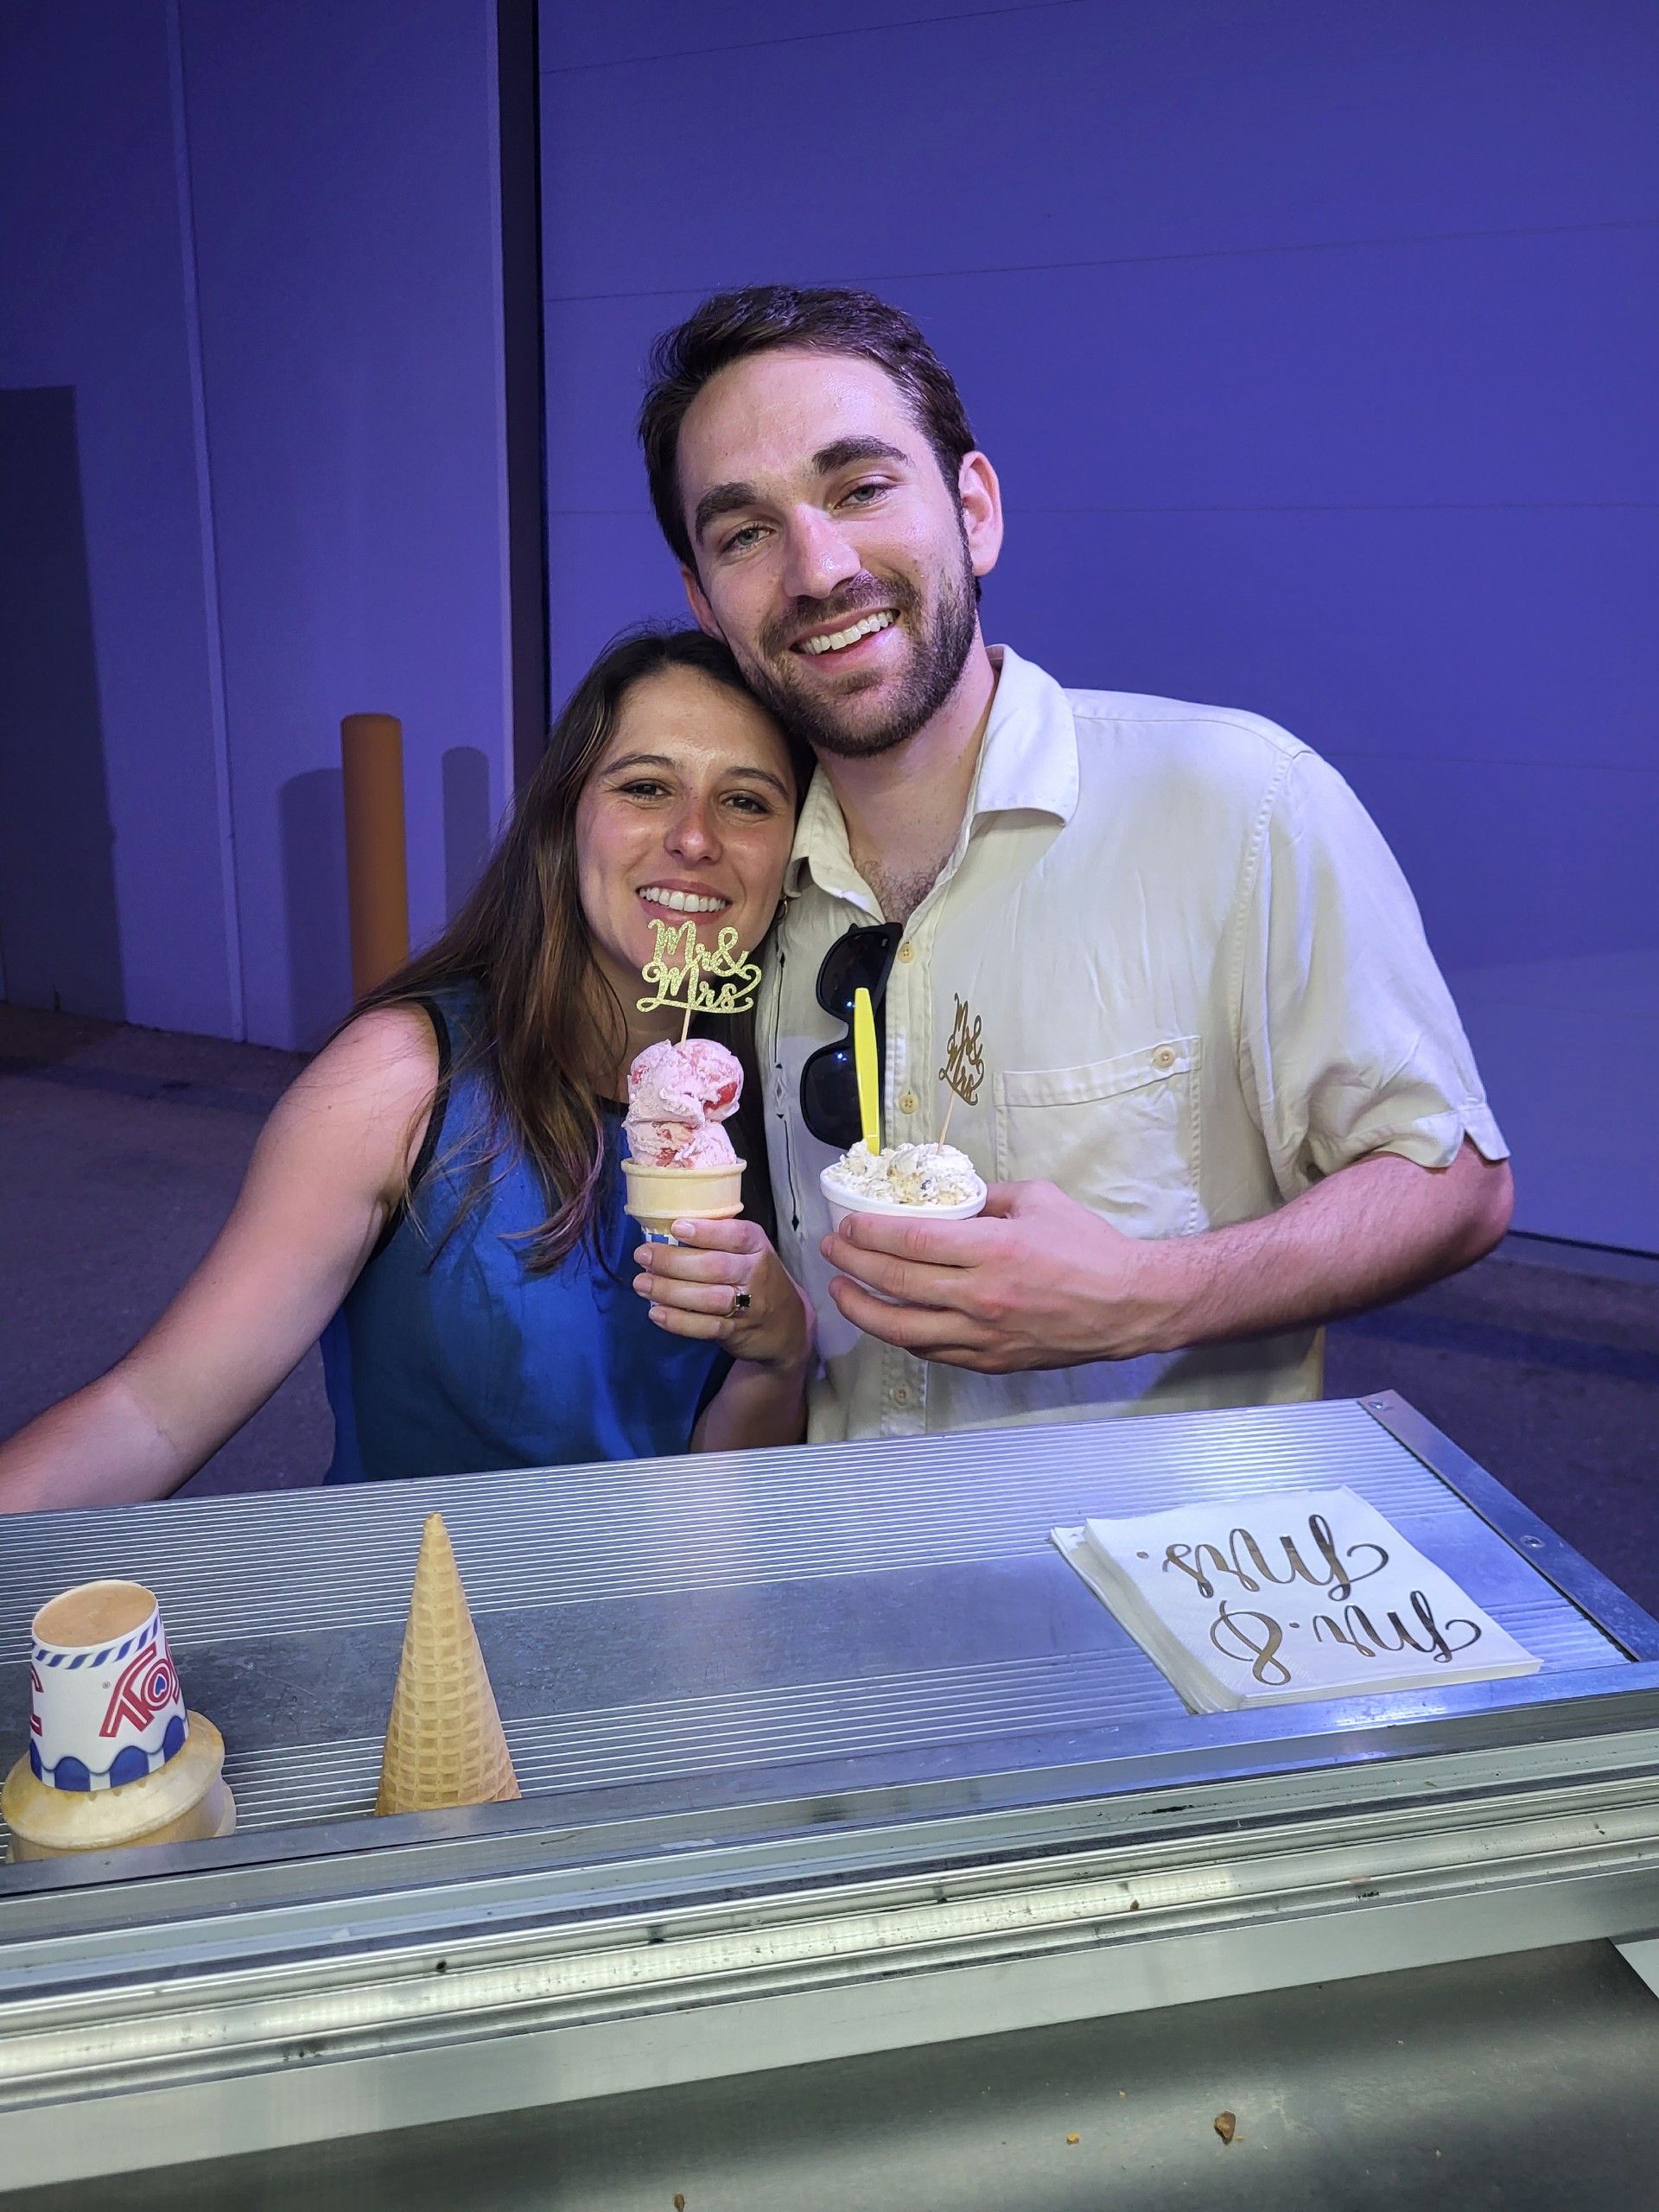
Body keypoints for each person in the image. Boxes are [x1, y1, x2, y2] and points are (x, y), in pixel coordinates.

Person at [636, 286, 1514, 1443]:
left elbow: (1452, 1177)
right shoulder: (741, 889)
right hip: (853, 1565)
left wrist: (1143, 1297)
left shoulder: (1236, 800)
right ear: (706, 604)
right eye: (745, 532)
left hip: (1155, 1583)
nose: (817, 568)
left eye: (862, 487)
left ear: (976, 510)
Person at [0, 629, 813, 1512]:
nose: (694, 836)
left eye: (747, 801)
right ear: (564, 818)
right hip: (420, 1625)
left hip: (643, 1623)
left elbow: (712, 1523)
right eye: (646, 787)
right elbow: (151, 1414)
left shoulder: (774, 1106)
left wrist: (779, 1354)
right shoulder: (405, 1078)